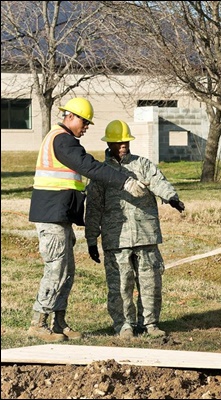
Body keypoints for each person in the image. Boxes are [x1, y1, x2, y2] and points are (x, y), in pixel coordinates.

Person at [28, 98, 149, 343]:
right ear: (70, 116)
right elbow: (88, 166)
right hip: (52, 216)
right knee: (56, 269)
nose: (86, 127)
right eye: (84, 121)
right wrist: (124, 182)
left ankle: (58, 322)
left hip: (59, 215)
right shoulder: (62, 140)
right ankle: (38, 322)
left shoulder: (62, 139)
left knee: (67, 270)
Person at [84, 119, 185, 339]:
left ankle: (150, 324)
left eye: (126, 141)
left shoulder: (142, 165)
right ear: (109, 143)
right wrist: (91, 239)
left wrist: (171, 198)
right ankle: (124, 325)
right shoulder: (100, 173)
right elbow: (93, 208)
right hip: (116, 238)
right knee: (120, 285)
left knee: (150, 283)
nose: (123, 145)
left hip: (146, 234)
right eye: (119, 142)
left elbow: (158, 181)